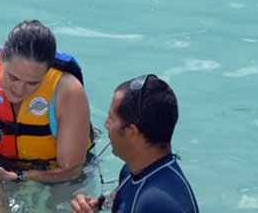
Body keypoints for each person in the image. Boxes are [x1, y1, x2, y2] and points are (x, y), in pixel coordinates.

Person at [0, 20, 93, 184]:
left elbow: (72, 171)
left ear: (48, 71)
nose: (19, 90)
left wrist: (21, 177)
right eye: (13, 77)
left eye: (32, 83)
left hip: (53, 173)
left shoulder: (68, 92)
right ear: (1, 57)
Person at [70, 74, 198, 213]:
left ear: (131, 131)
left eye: (111, 119)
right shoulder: (130, 172)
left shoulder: (158, 204)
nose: (106, 125)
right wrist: (94, 206)